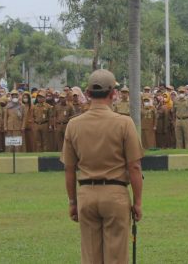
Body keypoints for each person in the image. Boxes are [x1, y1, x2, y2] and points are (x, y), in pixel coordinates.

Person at [62, 69, 144, 264]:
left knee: (90, 257)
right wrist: (138, 202)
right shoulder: (124, 123)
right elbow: (134, 167)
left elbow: (69, 169)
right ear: (113, 93)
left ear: (88, 94)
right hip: (115, 194)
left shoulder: (74, 125)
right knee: (116, 256)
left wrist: (73, 202)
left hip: (86, 195)